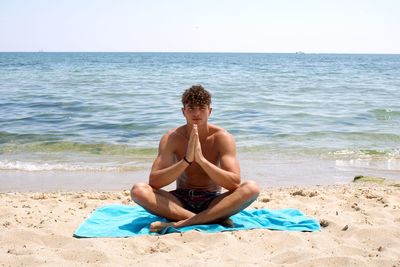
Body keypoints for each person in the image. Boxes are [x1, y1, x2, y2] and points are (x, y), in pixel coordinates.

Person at [131, 85, 260, 232]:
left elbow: (233, 183)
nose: (196, 113)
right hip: (179, 201)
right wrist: (186, 160)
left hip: (212, 200)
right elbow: (154, 182)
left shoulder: (222, 137)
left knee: (252, 188)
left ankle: (181, 223)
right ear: (183, 112)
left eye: (202, 108)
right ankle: (208, 219)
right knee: (138, 190)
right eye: (191, 108)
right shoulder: (172, 138)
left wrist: (201, 160)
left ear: (209, 111)